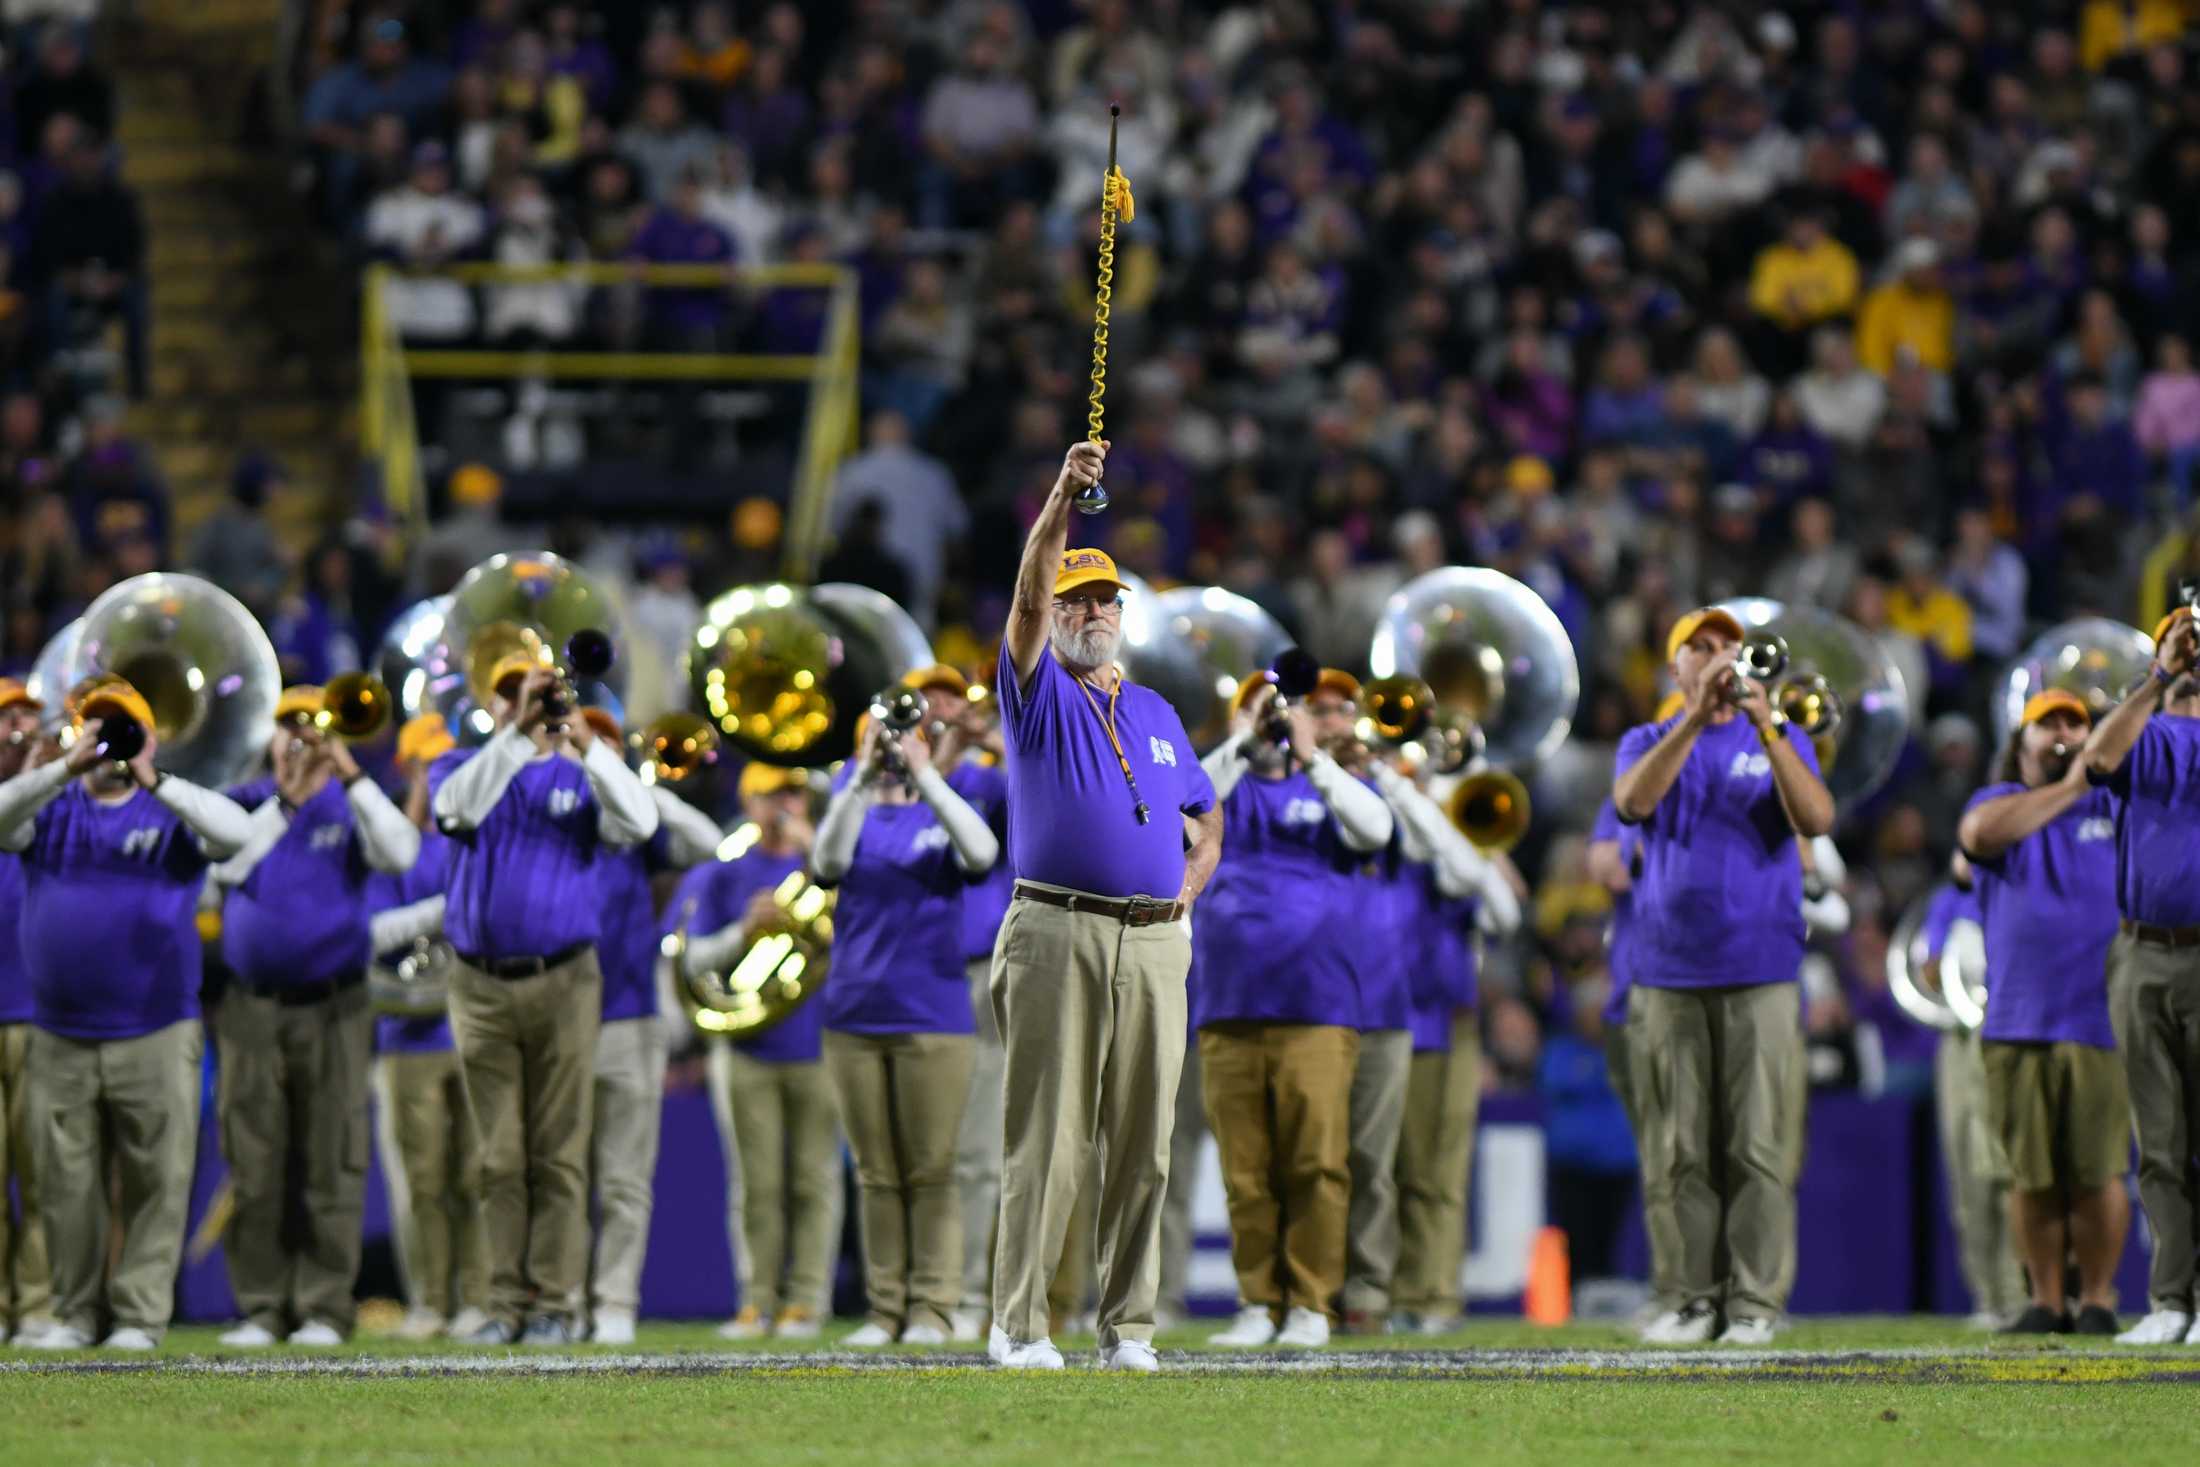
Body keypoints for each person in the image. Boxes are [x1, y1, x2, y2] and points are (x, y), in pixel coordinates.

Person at [989, 439, 1223, 1374]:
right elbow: (1025, 593)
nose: (1089, 610)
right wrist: (1060, 499)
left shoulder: (1159, 711)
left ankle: (1128, 1329)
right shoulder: (1035, 689)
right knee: (1045, 1140)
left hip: (1157, 941)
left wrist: (1188, 891)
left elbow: (1208, 819)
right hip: (1057, 925)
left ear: (1123, 613)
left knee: (1146, 1145)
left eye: (1103, 599)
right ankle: (1019, 1326)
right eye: (1075, 598)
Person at [0, 679, 254, 1350]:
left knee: (156, 1178)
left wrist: (155, 775)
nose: (109, 742)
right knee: (66, 1185)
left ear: (151, 735)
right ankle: (75, 1313)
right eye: (98, 727)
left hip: (156, 1024)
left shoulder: (169, 807)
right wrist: (64, 765)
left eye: (124, 728)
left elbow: (239, 832)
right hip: (60, 1028)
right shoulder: (52, 804)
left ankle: (139, 1316)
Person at [1612, 607, 1834, 1346]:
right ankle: (1690, 1297)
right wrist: (1693, 720)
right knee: (1680, 1148)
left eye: (1727, 647)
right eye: (1698, 648)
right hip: (1667, 969)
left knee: (1758, 1146)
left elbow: (1816, 817)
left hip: (1761, 967)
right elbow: (1634, 802)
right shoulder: (1646, 739)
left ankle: (1753, 1304)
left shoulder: (1779, 735)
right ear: (1674, 669)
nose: (1716, 658)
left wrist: (1768, 727)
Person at [428, 657, 659, 1345]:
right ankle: (504, 1302)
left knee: (558, 1152)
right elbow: (452, 810)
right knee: (498, 1154)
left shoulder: (581, 773)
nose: (525, 703)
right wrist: (516, 733)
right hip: (480, 983)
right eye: (510, 693)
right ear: (493, 703)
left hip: (566, 979)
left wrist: (586, 740)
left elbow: (641, 821)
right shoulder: (461, 766)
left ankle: (555, 1303)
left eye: (533, 692)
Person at [208, 687, 421, 1347]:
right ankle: (262, 1307)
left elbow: (401, 852)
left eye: (312, 728)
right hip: (251, 1004)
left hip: (336, 1002)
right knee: (255, 1157)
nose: (299, 739)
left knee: (333, 1156)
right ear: (267, 738)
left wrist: (349, 772)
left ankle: (325, 1307)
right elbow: (222, 873)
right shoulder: (245, 802)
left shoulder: (351, 804)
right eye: (287, 728)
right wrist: (288, 798)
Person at [1190, 676, 1394, 1350]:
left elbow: (1376, 829)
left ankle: (1310, 1303)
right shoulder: (1226, 780)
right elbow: (1172, 810)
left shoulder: (1327, 782)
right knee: (1245, 1169)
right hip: (1229, 1000)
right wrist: (1243, 741)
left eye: (1284, 708)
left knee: (1317, 1163)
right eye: (1260, 704)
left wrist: (1315, 757)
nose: (1275, 717)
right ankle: (1258, 1300)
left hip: (1317, 1000)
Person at [811, 694, 1003, 1347]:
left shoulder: (940, 810)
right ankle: (885, 1308)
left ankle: (934, 1307)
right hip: (854, 1012)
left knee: (930, 1166)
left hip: (933, 1013)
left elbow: (981, 852)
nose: (891, 747)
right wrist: (861, 776)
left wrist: (927, 775)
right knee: (875, 1170)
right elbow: (825, 864)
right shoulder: (850, 803)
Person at [1956, 689, 2129, 1337]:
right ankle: (2047, 1299)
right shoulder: (1993, 802)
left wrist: (2092, 781)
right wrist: (2075, 783)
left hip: (2099, 1013)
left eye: (2076, 723)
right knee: (2030, 1172)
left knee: (2098, 1168)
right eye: (2048, 723)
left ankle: (2100, 1299)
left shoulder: (2115, 803)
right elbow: (1978, 837)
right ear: (2019, 740)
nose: (2063, 734)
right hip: (2018, 1015)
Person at [678, 764, 839, 1342]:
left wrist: (813, 858)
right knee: (756, 1184)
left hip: (817, 1043)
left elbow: (854, 931)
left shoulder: (827, 862)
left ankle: (806, 1303)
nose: (787, 804)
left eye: (796, 792)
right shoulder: (724, 871)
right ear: (749, 802)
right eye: (774, 794)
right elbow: (688, 960)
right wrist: (742, 933)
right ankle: (757, 1302)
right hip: (744, 1046)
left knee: (813, 1180)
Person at [579, 707, 723, 1347]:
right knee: (554, 1174)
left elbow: (706, 843)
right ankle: (553, 1299)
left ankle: (613, 1301)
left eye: (608, 743)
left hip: (629, 1018)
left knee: (623, 1177)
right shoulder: (554, 817)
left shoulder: (641, 829)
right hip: (557, 1017)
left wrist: (633, 784)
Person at [2078, 608, 2200, 1346]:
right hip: (2140, 950)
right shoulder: (2148, 728)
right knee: (2158, 1140)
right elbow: (2095, 760)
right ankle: (2171, 1301)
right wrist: (2159, 674)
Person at [1379, 751, 1522, 1334]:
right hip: (1382, 1015)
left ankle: (1433, 1294)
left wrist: (1443, 814)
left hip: (1447, 1020)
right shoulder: (1382, 830)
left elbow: (1506, 909)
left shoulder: (1453, 851)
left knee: (1438, 1166)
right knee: (1383, 1167)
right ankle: (1387, 1292)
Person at [366, 713, 490, 1342]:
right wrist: (446, 909)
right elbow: (371, 934)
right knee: (420, 1178)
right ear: (407, 770)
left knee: (476, 1172)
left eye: (449, 766)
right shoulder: (392, 847)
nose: (439, 778)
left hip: (470, 1029)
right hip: (406, 1034)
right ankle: (430, 1301)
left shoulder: (470, 841)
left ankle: (476, 1299)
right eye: (428, 766)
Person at [1918, 864, 2027, 1331]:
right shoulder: (1948, 900)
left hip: (2017, 1030)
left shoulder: (2024, 882)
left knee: (2014, 1171)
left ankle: (2023, 1294)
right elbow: (1927, 969)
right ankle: (1988, 1296)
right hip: (1961, 1038)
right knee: (1967, 1172)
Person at [0, 679, 56, 1347]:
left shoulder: (57, 800)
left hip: (42, 1014)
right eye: (8, 714)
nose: (20, 725)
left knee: (43, 1175)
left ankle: (39, 1309)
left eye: (27, 715)